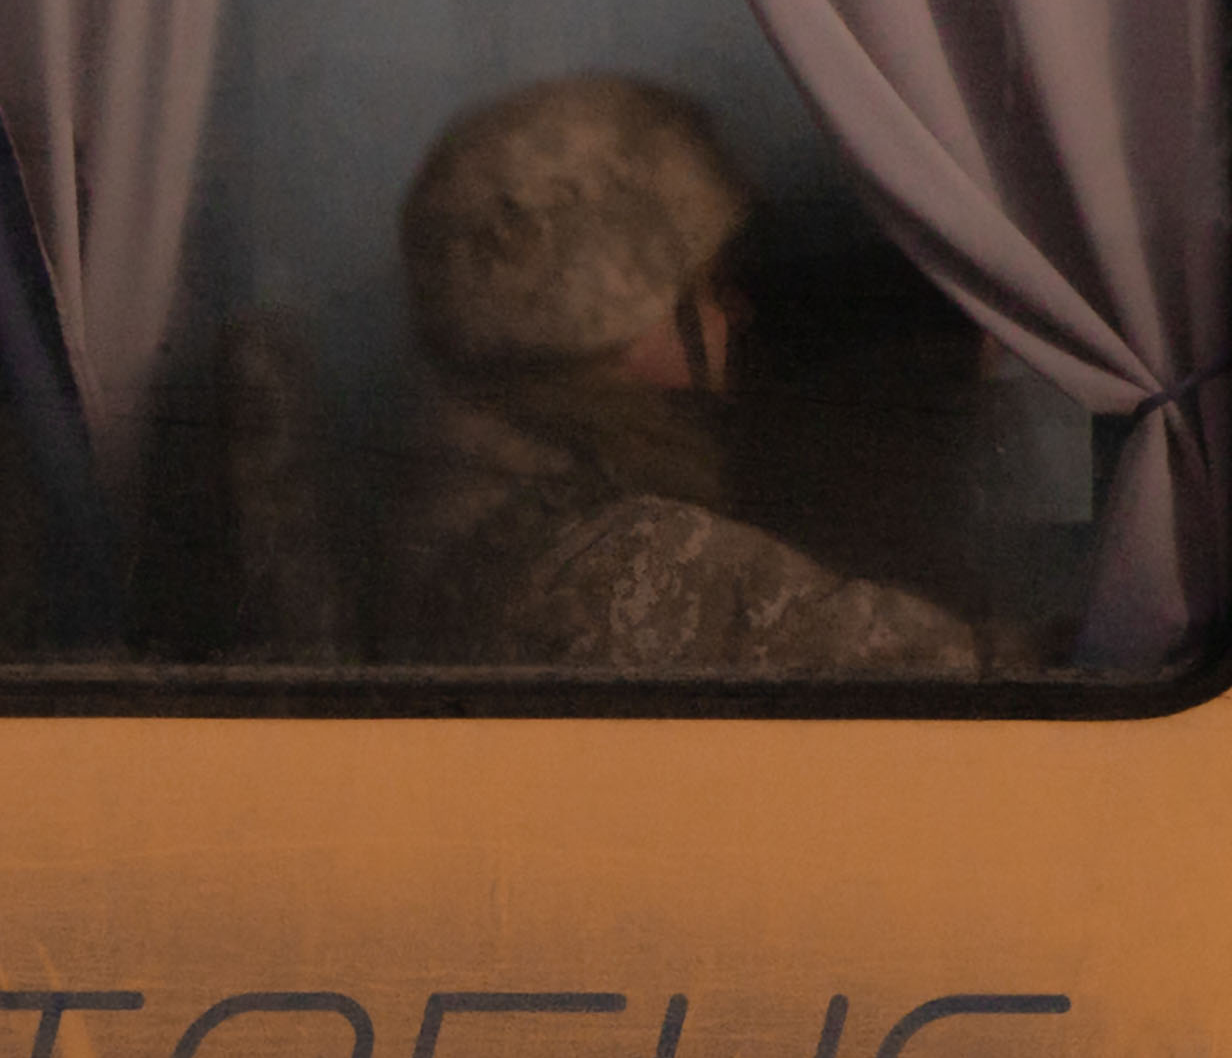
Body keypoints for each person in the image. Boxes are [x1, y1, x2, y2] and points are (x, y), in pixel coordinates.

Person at [372, 75, 983, 676]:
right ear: (613, 311)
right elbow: (966, 677)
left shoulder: (469, 490)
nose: (735, 310)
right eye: (710, 283)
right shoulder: (613, 559)